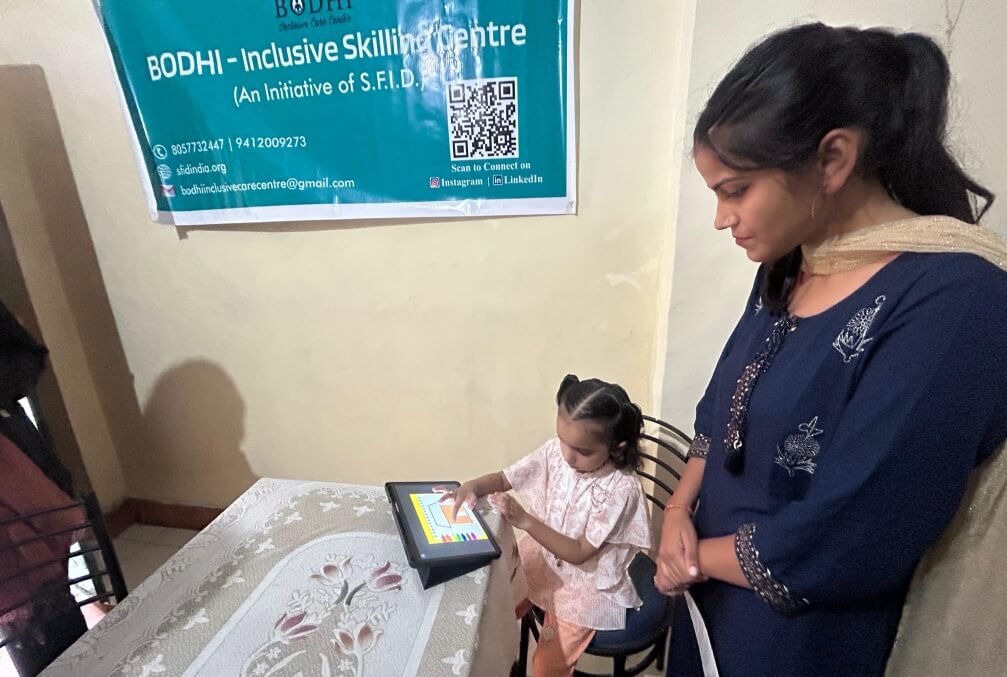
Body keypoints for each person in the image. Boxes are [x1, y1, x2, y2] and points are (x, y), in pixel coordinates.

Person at [655, 22, 1007, 677]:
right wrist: (677, 510)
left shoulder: (956, 299)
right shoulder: (789, 265)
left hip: (806, 641)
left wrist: (695, 556)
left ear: (832, 160)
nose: (722, 218)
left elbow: (857, 527)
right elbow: (720, 408)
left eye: (735, 190)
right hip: (706, 603)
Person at [442, 375, 652, 677]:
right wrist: (473, 486)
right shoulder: (556, 453)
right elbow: (504, 478)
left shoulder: (621, 489)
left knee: (545, 667)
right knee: (492, 610)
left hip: (585, 583)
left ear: (616, 449)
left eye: (583, 451)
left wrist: (525, 520)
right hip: (543, 556)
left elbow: (580, 552)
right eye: (563, 441)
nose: (568, 456)